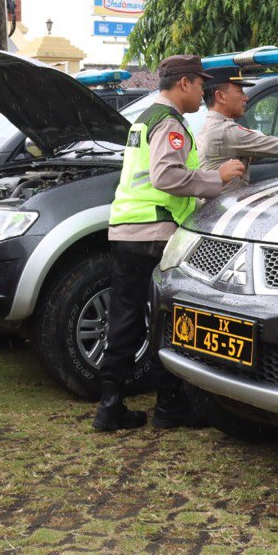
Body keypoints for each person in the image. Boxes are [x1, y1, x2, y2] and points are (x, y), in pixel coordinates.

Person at [100, 55, 245, 432]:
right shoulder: (169, 123)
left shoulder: (143, 118)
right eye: (200, 85)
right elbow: (167, 177)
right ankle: (169, 405)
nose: (203, 92)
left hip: (126, 229)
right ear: (184, 83)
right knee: (169, 319)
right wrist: (217, 178)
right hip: (157, 231)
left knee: (125, 318)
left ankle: (110, 405)